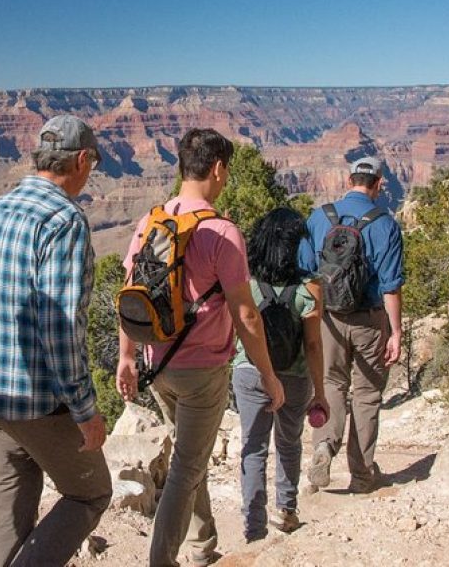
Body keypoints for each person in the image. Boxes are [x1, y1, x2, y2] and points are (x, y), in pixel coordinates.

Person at [116, 128, 285, 567]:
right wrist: (268, 375)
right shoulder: (222, 232)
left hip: (157, 364)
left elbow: (131, 294)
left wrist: (126, 357)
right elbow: (246, 315)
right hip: (202, 373)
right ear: (217, 168)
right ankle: (162, 559)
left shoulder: (150, 221)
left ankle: (201, 547)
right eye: (226, 169)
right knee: (187, 468)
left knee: (190, 456)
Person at [0, 115, 112, 567]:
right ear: (82, 160)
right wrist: (86, 410)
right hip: (37, 402)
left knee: (10, 517)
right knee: (90, 493)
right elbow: (61, 326)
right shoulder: (64, 220)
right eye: (94, 164)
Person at [299, 156, 404, 493]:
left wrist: (309, 316)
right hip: (369, 320)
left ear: (349, 181)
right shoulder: (385, 225)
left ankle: (323, 447)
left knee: (330, 383)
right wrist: (396, 331)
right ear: (377, 184)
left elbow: (304, 270)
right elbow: (390, 285)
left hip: (328, 317)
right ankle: (361, 475)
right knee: (367, 394)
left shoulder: (319, 218)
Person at [231, 208, 329, 542]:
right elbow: (314, 345)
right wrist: (320, 392)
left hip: (249, 372)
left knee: (253, 448)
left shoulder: (244, 282)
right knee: (288, 444)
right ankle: (286, 510)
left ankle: (253, 527)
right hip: (295, 375)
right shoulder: (310, 287)